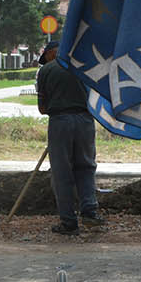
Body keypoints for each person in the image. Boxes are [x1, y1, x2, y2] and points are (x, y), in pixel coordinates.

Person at [36, 40, 102, 234]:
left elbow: (42, 108)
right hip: (85, 120)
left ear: (50, 53)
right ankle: (90, 213)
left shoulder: (46, 70)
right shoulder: (82, 66)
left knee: (61, 172)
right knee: (86, 166)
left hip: (60, 122)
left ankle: (68, 222)